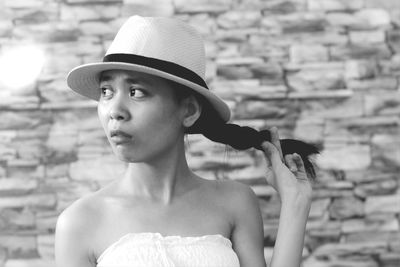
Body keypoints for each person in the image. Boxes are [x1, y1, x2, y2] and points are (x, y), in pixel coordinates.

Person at [55, 15, 319, 267]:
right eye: (106, 91)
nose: (115, 110)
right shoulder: (79, 222)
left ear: (189, 110)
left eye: (136, 92)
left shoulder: (236, 203)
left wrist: (296, 202)